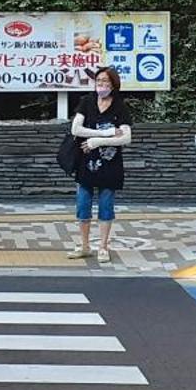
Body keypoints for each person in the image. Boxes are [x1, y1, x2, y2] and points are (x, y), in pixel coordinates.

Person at [68, 65, 133, 266]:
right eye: (98, 81)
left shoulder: (120, 106)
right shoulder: (87, 102)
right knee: (83, 204)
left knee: (106, 205)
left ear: (114, 85)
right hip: (85, 163)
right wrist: (105, 134)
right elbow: (76, 128)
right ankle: (84, 245)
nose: (101, 85)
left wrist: (98, 142)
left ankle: (103, 246)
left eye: (106, 82)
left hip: (110, 164)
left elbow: (126, 137)